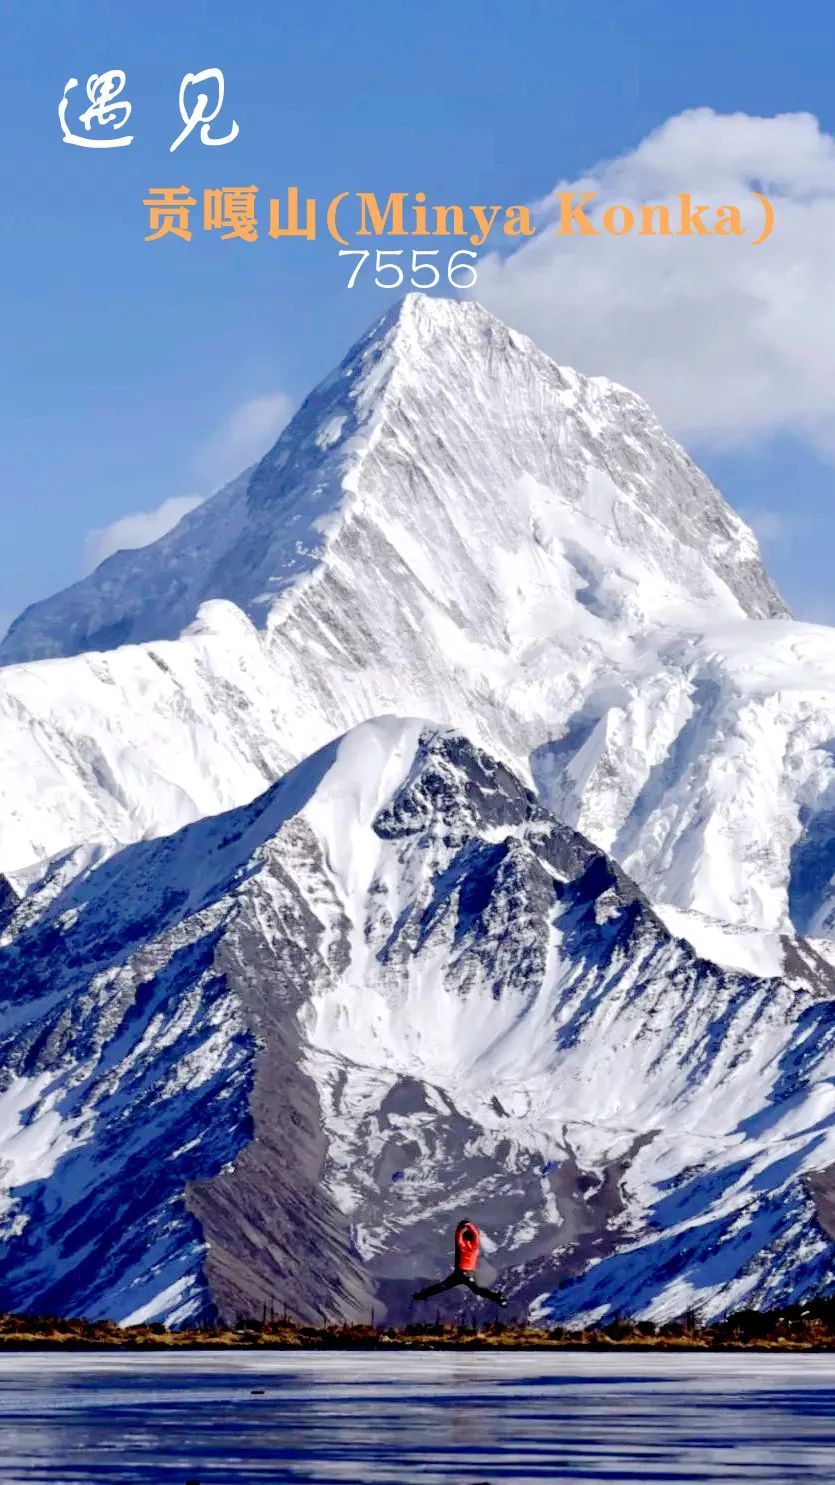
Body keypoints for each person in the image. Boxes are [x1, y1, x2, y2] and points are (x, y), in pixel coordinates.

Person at [412, 1219, 507, 1305]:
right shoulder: (474, 1246)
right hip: (469, 1274)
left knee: (442, 1286)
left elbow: (458, 1234)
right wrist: (469, 1225)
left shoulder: (461, 1245)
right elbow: (475, 1233)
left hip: (458, 1273)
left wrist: (462, 1226)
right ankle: (497, 1298)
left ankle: (422, 1295)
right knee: (478, 1290)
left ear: (464, 1238)